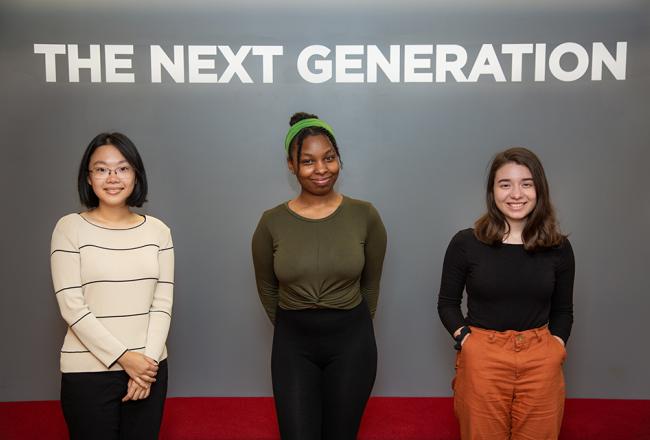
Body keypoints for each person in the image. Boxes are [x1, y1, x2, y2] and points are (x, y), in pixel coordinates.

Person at [252, 112, 387, 440]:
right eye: (308, 161)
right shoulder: (271, 223)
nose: (322, 169)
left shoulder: (364, 215)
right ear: (291, 166)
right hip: (293, 344)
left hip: (352, 343)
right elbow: (267, 287)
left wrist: (349, 324)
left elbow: (370, 284)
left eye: (329, 158)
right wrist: (296, 322)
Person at [437, 147, 574, 440]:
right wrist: (468, 341)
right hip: (483, 356)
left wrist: (556, 347)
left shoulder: (559, 248)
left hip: (541, 359)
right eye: (505, 184)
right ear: (492, 191)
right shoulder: (466, 243)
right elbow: (447, 304)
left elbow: (563, 311)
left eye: (526, 183)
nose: (516, 194)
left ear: (539, 189)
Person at [50, 132, 174, 439]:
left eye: (122, 168)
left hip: (149, 370)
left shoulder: (158, 231)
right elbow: (71, 306)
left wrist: (145, 368)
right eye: (101, 169)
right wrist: (126, 358)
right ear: (88, 178)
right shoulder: (69, 228)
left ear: (135, 174)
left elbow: (162, 304)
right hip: (87, 373)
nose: (112, 177)